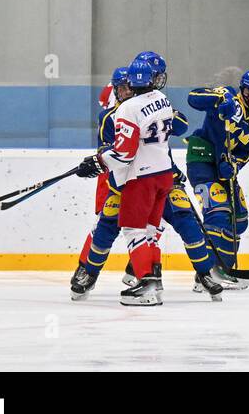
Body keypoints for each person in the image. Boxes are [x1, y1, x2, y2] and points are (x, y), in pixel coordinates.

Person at [71, 64, 224, 301]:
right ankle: (88, 272)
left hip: (160, 178)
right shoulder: (112, 117)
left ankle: (202, 274)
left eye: (127, 87)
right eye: (120, 88)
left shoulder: (151, 103)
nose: (126, 92)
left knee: (184, 220)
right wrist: (101, 158)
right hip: (125, 183)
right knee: (106, 227)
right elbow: (110, 148)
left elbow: (179, 126)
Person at [74, 59, 182, 306]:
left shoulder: (128, 108)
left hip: (140, 178)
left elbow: (125, 153)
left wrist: (98, 161)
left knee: (133, 230)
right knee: (150, 231)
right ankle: (155, 279)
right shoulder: (162, 99)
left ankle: (146, 284)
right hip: (164, 174)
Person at [186, 69, 249, 288]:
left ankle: (226, 269)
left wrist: (234, 165)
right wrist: (219, 99)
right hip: (202, 161)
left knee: (239, 219)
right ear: (244, 91)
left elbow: (247, 152)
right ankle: (207, 274)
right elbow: (193, 97)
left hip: (224, 168)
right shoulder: (228, 97)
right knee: (218, 213)